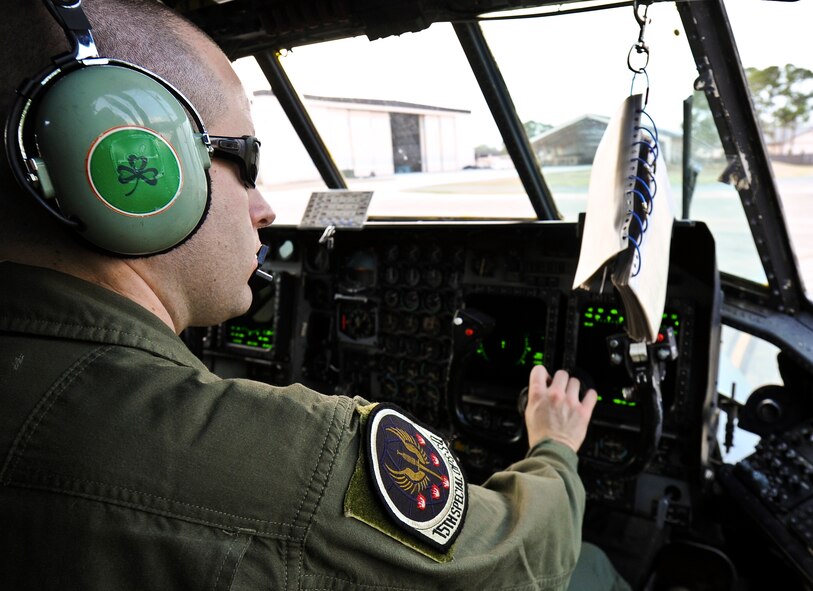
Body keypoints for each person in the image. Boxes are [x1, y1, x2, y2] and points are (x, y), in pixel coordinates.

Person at [0, 1, 629, 589]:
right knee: (596, 566)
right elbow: (514, 558)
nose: (265, 208)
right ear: (135, 172)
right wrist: (554, 445)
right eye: (243, 163)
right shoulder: (269, 459)